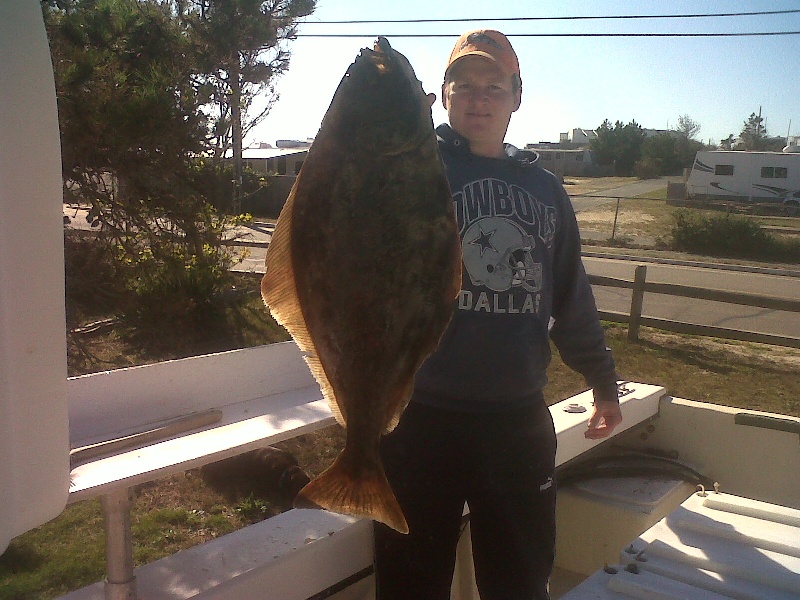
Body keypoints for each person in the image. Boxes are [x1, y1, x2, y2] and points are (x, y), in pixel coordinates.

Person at [373, 30, 623, 600]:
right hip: (417, 418)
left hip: (515, 425)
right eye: (464, 87)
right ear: (441, 96)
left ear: (516, 97)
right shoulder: (405, 173)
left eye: (493, 87)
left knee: (518, 582)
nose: (478, 100)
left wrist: (602, 381)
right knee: (409, 585)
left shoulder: (546, 190)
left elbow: (569, 294)